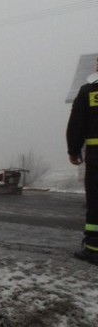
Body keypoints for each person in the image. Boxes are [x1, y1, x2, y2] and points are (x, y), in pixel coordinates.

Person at [67, 59, 98, 264]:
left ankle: (94, 248)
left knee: (96, 201)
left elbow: (77, 123)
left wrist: (74, 150)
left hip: (97, 157)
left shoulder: (88, 92)